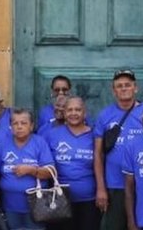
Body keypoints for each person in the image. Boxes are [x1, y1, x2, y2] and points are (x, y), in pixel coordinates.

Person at [94, 69, 143, 230]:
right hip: (115, 186)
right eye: (119, 86)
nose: (124, 88)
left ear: (135, 88)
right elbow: (98, 153)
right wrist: (101, 188)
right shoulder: (105, 115)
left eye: (128, 85)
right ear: (114, 90)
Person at [0, 109, 53, 229]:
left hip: (36, 206)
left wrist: (31, 170)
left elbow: (50, 172)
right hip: (9, 205)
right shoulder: (4, 143)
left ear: (31, 126)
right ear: (10, 126)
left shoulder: (39, 142)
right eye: (15, 123)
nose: (19, 127)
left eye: (23, 123)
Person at [43, 96, 99, 229]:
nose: (74, 113)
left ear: (85, 113)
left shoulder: (95, 136)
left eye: (78, 110)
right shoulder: (51, 135)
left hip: (88, 199)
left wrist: (101, 190)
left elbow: (100, 164)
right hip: (58, 200)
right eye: (70, 110)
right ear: (64, 113)